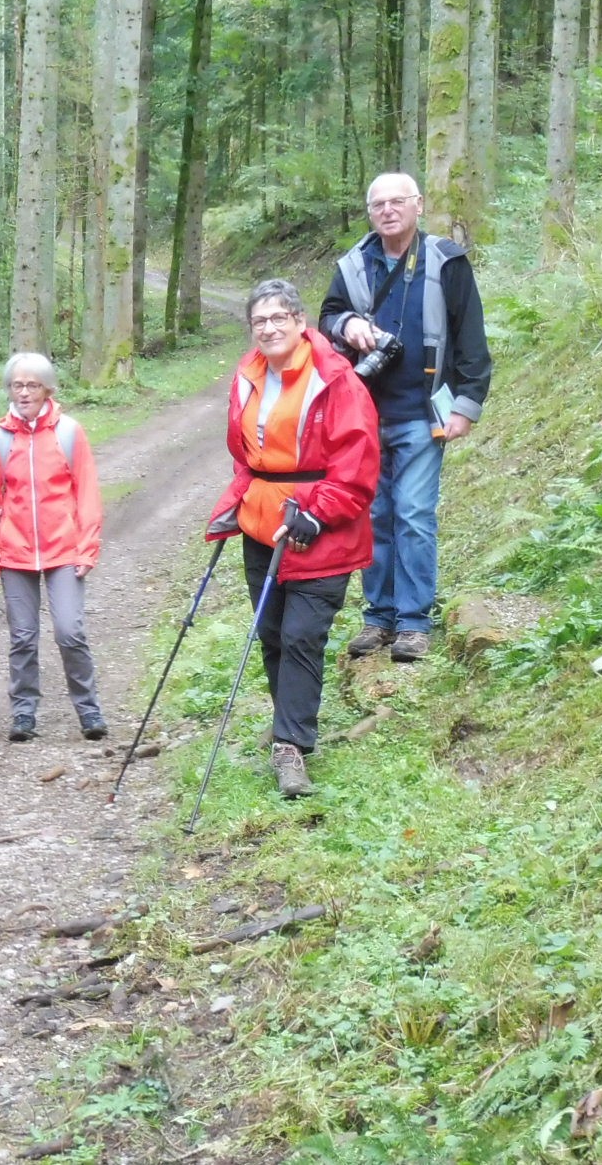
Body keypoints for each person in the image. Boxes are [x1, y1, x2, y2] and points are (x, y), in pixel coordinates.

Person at [205, 282, 380, 798]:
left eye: (280, 317)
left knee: (304, 635)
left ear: (301, 321)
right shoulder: (249, 375)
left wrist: (319, 513)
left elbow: (359, 461)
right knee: (274, 631)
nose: (270, 328)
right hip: (262, 524)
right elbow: (246, 453)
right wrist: (237, 501)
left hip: (320, 529)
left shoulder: (336, 380)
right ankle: (289, 720)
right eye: (260, 320)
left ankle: (291, 747)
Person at [320, 172, 493, 663]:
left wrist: (466, 404)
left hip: (423, 409)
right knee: (374, 516)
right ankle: (379, 616)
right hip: (363, 414)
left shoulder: (446, 262)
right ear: (370, 212)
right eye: (379, 204)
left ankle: (414, 622)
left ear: (418, 205)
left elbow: (472, 336)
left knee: (413, 514)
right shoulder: (354, 264)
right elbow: (327, 317)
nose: (388, 210)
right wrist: (347, 323)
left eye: (398, 201)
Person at [0, 353, 108, 744]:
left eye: (32, 385)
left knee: (70, 631)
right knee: (22, 636)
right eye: (17, 385)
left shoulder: (69, 432)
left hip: (64, 550)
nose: (24, 392)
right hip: (14, 553)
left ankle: (89, 711)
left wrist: (87, 548)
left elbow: (87, 494)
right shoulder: (1, 437)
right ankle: (23, 714)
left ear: (48, 389)